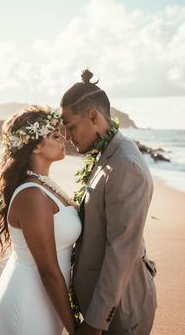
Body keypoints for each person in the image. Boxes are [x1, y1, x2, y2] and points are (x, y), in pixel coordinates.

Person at [60, 70, 157, 335]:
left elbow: (121, 250)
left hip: (121, 314)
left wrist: (94, 323)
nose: (68, 137)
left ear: (93, 116)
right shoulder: (107, 153)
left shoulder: (125, 165)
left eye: (70, 127)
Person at [0, 105, 81, 335]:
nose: (63, 139)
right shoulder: (32, 196)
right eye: (54, 135)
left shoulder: (44, 186)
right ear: (37, 146)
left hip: (47, 296)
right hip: (30, 297)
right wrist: (75, 329)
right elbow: (48, 270)